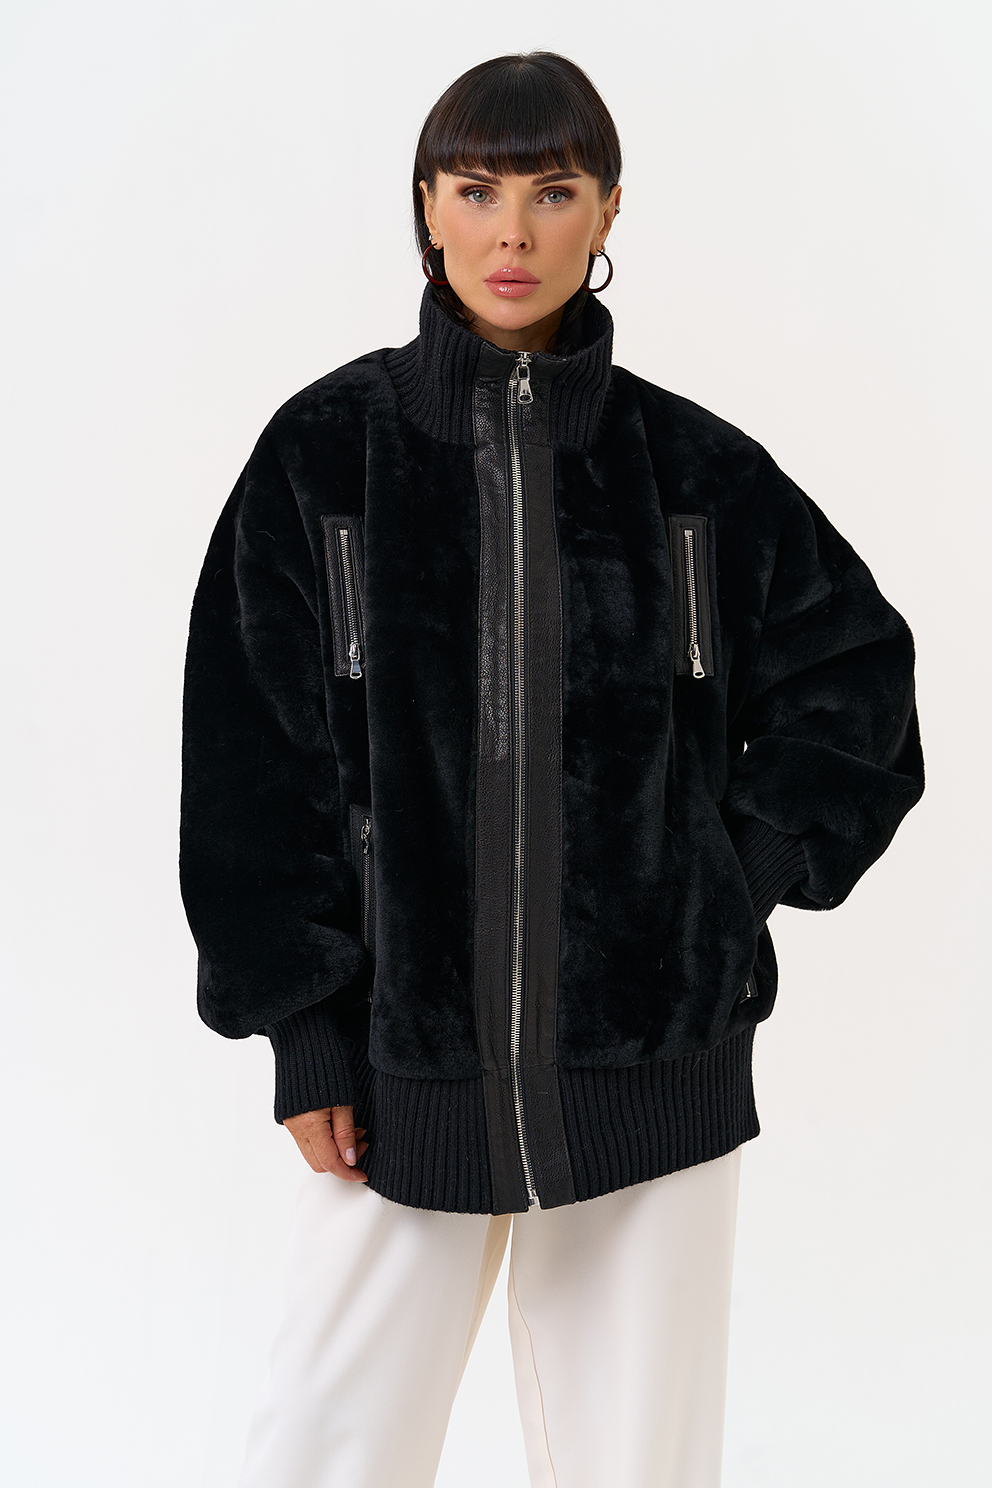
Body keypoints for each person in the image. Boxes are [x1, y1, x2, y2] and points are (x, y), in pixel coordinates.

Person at [179, 50, 924, 1488]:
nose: (512, 232)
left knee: (637, 1464)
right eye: (477, 191)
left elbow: (858, 685)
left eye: (553, 191)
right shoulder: (323, 457)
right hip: (395, 1065)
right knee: (327, 1449)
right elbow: (249, 768)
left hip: (656, 1061)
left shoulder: (695, 470)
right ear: (426, 207)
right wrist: (305, 1030)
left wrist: (723, 883)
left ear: (608, 210)